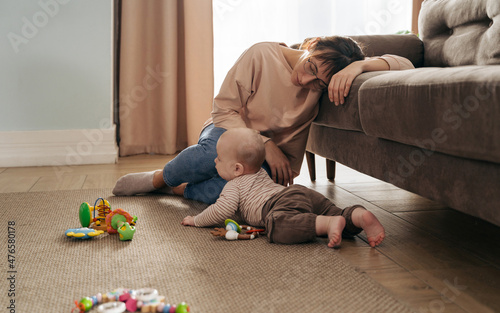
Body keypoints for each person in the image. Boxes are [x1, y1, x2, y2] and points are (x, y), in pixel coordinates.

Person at [113, 36, 414, 204]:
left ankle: (179, 189)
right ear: (312, 44)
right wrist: (263, 142)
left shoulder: (326, 80)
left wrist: (358, 68)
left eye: (318, 84)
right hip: (229, 131)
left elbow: (406, 64)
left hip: (277, 159)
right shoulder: (262, 54)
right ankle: (158, 180)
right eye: (310, 67)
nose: (306, 80)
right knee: (209, 156)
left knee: (234, 193)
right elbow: (223, 110)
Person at [181, 128, 385, 248]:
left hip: (278, 204)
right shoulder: (260, 171)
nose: (215, 161)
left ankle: (327, 223)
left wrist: (196, 220)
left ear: (236, 169)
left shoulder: (233, 185)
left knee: (277, 225)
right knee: (332, 209)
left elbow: (221, 210)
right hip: (299, 193)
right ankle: (357, 216)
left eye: (219, 158)